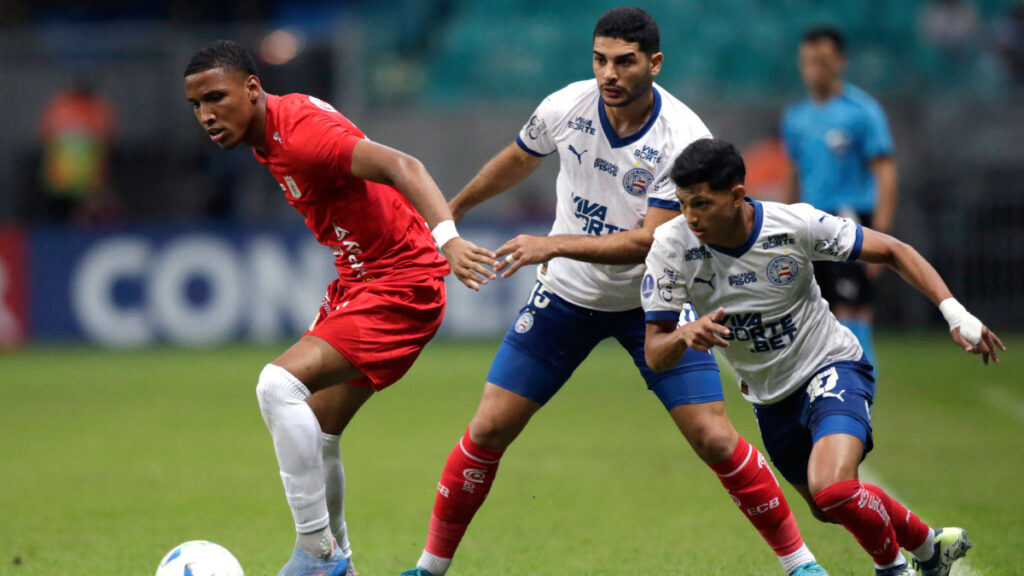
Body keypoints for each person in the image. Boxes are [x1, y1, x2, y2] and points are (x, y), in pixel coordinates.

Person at [402, 8, 827, 576]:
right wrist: (451, 214)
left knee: (714, 439)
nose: (609, 74)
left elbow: (647, 242)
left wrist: (552, 245)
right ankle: (428, 569)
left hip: (655, 301)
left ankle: (801, 565)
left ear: (653, 63)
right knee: (487, 427)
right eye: (600, 59)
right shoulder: (566, 105)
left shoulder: (682, 139)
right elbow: (518, 158)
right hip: (566, 301)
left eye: (624, 62)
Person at [183, 40, 496, 576]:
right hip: (363, 281)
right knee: (318, 430)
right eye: (196, 106)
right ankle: (339, 564)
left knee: (277, 387)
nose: (207, 115)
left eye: (217, 97)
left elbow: (403, 165)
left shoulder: (302, 135)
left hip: (401, 284)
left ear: (252, 89)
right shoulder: (271, 129)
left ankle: (317, 554)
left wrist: (448, 239)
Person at [644, 138, 1005, 576]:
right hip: (769, 396)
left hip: (829, 365)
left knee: (833, 487)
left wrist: (954, 312)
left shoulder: (793, 225)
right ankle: (930, 546)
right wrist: (683, 335)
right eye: (682, 204)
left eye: (701, 203)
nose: (690, 217)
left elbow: (894, 250)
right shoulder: (670, 246)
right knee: (829, 507)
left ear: (737, 195)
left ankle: (894, 569)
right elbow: (656, 353)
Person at [781, 27, 897, 369]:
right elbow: (792, 173)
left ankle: (861, 387)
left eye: (823, 61)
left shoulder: (862, 111)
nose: (815, 68)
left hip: (850, 219)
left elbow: (885, 170)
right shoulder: (796, 117)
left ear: (840, 62)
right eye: (808, 61)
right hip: (809, 221)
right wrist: (784, 224)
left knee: (853, 309)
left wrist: (883, 232)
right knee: (819, 309)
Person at [35, 79, 122, 224]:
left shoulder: (93, 106)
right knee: (63, 209)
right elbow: (46, 134)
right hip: (65, 173)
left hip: (84, 174)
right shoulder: (63, 105)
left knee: (88, 207)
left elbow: (108, 136)